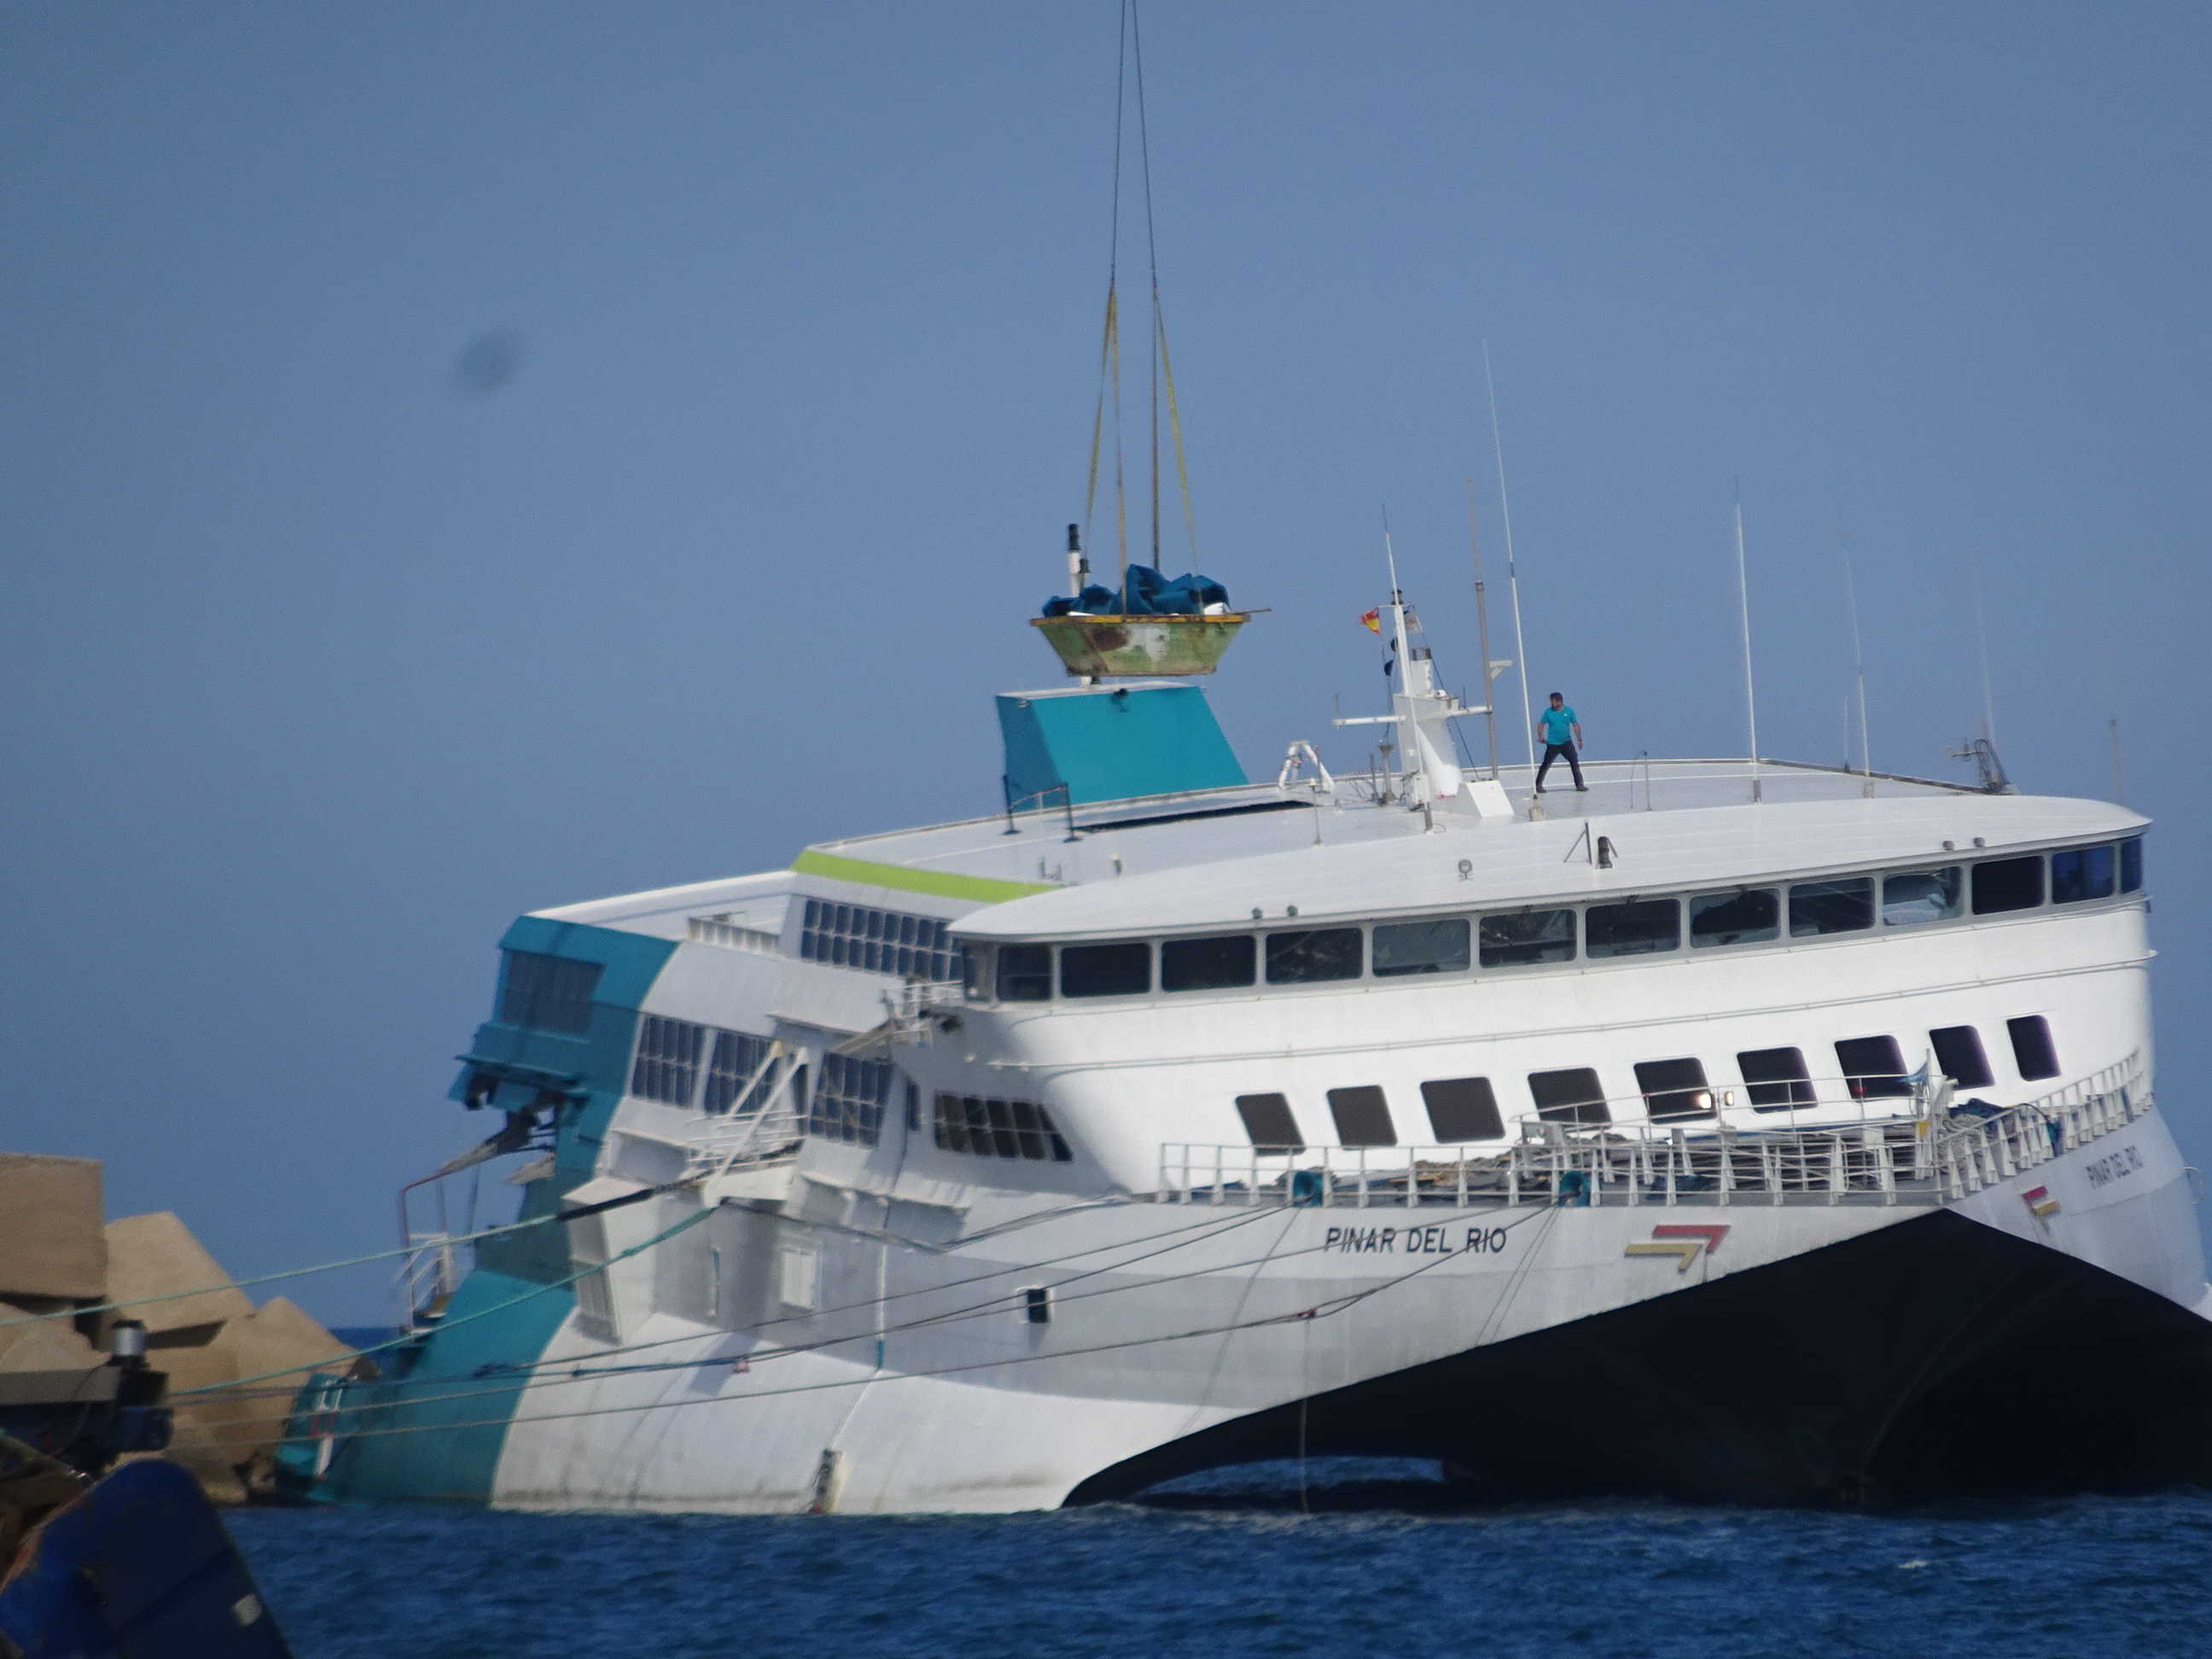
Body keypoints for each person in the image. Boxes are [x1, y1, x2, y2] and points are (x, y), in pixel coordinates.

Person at [1534, 691, 1585, 792]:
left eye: (1552, 701)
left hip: (1566, 743)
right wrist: (1540, 736)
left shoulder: (1569, 711)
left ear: (1559, 702)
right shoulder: (1548, 712)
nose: (1551, 703)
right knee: (1546, 764)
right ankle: (1538, 785)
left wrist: (1579, 739)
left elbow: (1575, 725)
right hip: (1553, 744)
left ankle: (1580, 785)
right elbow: (1541, 724)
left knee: (1574, 762)